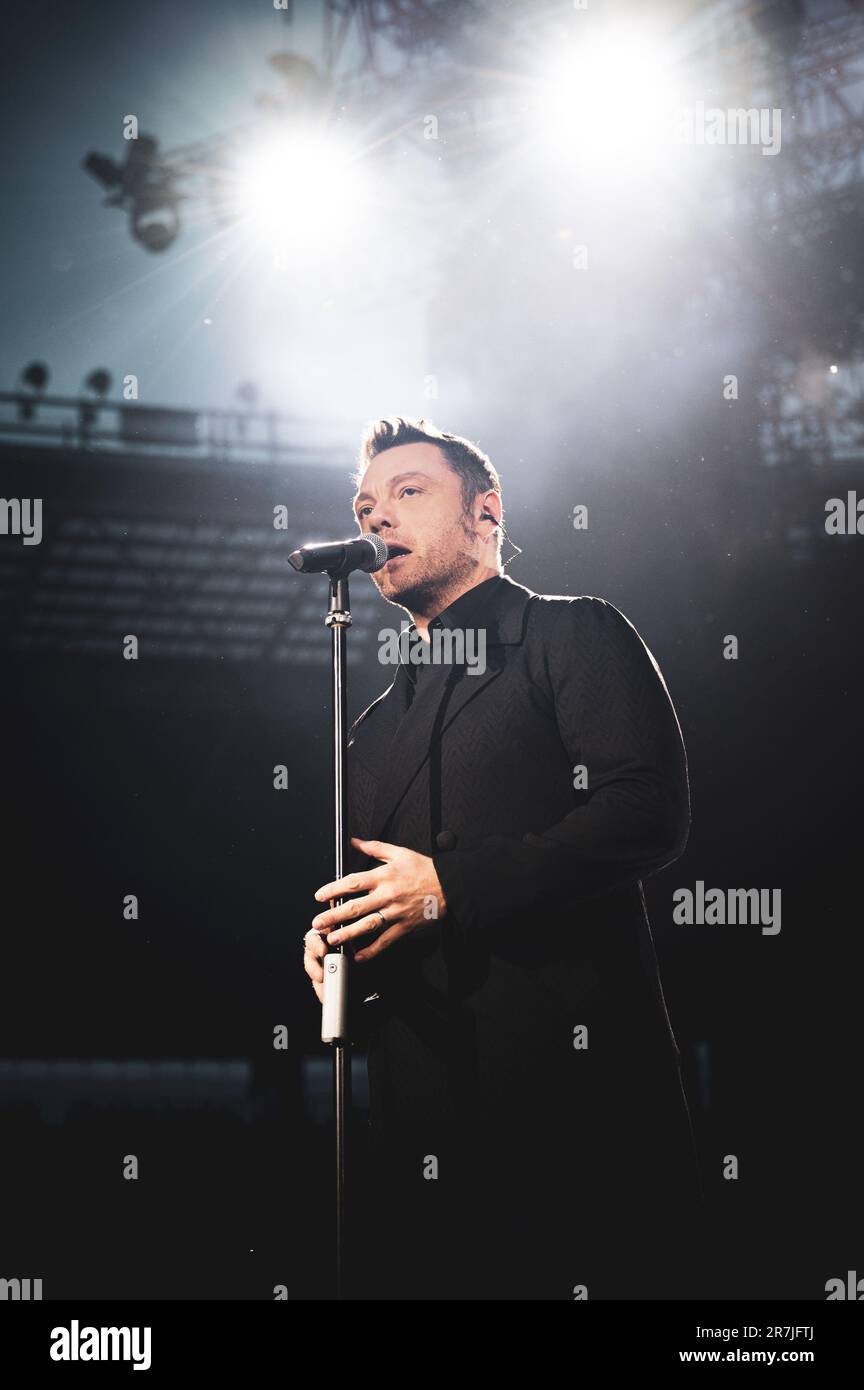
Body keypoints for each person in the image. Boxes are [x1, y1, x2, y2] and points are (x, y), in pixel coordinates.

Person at [304, 416, 703, 1300]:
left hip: (575, 1101)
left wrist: (450, 887)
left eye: (409, 494)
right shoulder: (371, 730)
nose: (377, 519)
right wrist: (342, 944)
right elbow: (383, 892)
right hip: (425, 1107)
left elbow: (647, 811)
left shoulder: (571, 634)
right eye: (367, 505)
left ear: (487, 513)